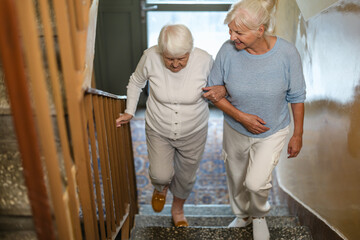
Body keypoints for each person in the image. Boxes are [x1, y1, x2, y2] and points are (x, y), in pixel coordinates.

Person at [203, 0, 306, 239]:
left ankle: (259, 215)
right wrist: (242, 117)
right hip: (235, 128)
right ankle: (243, 215)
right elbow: (212, 92)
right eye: (230, 30)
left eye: (239, 32)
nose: (232, 37)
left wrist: (298, 134)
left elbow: (297, 96)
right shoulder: (227, 51)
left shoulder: (287, 53)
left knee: (256, 183)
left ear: (260, 30)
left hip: (273, 130)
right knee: (236, 178)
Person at [116, 24, 225, 227]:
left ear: (190, 51)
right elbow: (136, 81)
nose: (175, 64)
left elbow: (220, 86)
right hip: (159, 128)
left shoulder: (205, 60)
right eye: (169, 59)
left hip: (194, 130)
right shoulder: (150, 57)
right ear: (161, 51)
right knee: (160, 174)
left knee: (186, 177)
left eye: (181, 59)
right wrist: (130, 110)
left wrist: (221, 90)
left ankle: (177, 209)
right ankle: (160, 188)